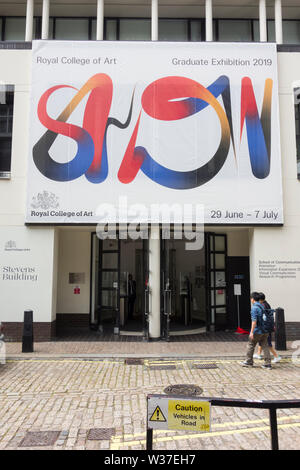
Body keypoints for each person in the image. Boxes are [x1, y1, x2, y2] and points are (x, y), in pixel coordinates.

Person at [241, 292, 272, 369]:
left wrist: (251, 332)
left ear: (252, 299)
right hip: (265, 330)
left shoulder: (254, 308)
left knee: (251, 345)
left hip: (258, 331)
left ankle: (249, 361)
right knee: (265, 346)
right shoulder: (262, 306)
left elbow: (254, 321)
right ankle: (267, 363)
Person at [253, 293, 281, 364]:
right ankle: (258, 353)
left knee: (267, 343)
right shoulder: (266, 304)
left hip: (266, 327)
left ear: (259, 300)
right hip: (268, 326)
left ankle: (276, 356)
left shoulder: (262, 306)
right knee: (262, 340)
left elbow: (262, 317)